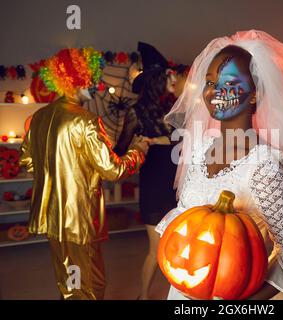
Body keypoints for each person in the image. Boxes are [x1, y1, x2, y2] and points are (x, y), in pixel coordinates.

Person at [156, 30, 283, 300]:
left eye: (228, 81)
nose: (214, 91)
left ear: (254, 94)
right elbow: (183, 224)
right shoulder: (199, 151)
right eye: (210, 82)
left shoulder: (264, 168)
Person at [19, 48, 150, 300]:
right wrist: (138, 150)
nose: (97, 86)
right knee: (91, 284)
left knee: (67, 280)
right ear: (73, 81)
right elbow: (113, 170)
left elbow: (28, 161)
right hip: (79, 216)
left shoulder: (39, 117)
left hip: (52, 215)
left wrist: (59, 167)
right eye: (91, 81)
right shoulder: (86, 121)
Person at [113, 42, 188, 300]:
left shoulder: (172, 111)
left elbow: (119, 149)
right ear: (159, 81)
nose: (171, 80)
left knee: (166, 248)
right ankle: (147, 296)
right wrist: (147, 143)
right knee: (167, 248)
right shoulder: (173, 111)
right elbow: (123, 149)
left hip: (171, 184)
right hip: (168, 184)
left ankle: (153, 297)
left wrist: (149, 142)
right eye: (167, 77)